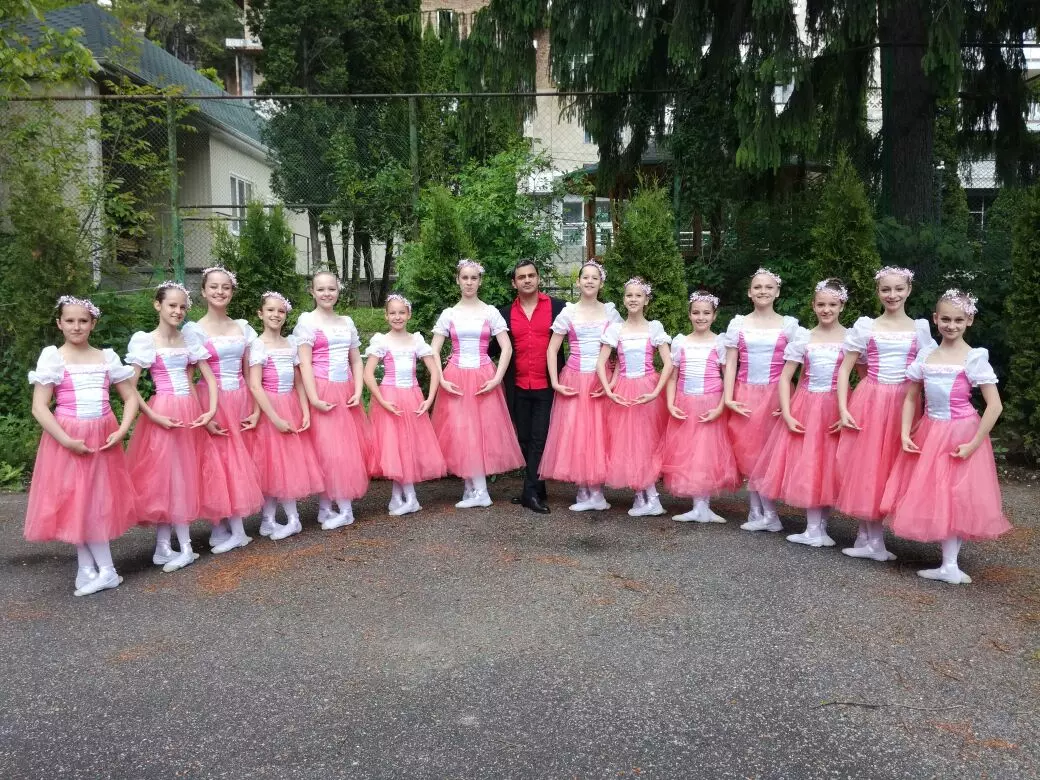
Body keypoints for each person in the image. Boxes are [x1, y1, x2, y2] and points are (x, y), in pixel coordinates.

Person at [880, 290, 1011, 583]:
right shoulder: (927, 355)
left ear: (969, 320)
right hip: (930, 429)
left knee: (956, 493)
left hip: (960, 431)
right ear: (935, 319)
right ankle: (947, 564)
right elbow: (911, 397)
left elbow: (995, 405)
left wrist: (974, 443)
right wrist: (905, 432)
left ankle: (950, 564)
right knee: (936, 491)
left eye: (958, 320)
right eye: (946, 319)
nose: (951, 325)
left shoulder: (974, 358)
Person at [25, 296, 139, 596]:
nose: (77, 326)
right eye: (70, 321)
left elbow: (130, 397)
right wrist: (66, 440)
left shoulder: (106, 358)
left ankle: (107, 571)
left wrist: (122, 430)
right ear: (59, 323)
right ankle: (87, 568)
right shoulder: (54, 358)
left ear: (93, 323)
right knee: (76, 500)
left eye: (83, 321)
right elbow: (39, 407)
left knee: (95, 502)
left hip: (102, 435)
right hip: (68, 435)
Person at [125, 282, 228, 573]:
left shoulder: (189, 339)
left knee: (183, 475)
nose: (178, 311)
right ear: (158, 305)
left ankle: (164, 547)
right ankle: (183, 548)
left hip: (189, 413)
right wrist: (152, 416)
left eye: (182, 306)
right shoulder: (146, 341)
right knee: (167, 478)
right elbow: (129, 387)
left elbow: (209, 378)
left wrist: (209, 410)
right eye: (172, 305)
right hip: (164, 412)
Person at [834, 267, 936, 562]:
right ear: (878, 292)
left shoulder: (919, 329)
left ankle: (872, 537)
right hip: (871, 399)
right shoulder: (866, 326)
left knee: (892, 464)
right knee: (868, 465)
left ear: (909, 290)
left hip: (904, 402)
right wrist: (843, 408)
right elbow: (845, 369)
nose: (892, 295)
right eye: (886, 289)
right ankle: (871, 538)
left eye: (898, 289)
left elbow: (927, 374)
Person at [749, 279, 847, 546]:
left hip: (835, 405)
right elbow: (786, 378)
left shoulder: (851, 338)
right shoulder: (804, 337)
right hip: (807, 404)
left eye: (833, 304)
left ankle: (821, 527)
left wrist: (851, 409)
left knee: (829, 463)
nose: (826, 309)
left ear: (842, 306)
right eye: (821, 304)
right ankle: (813, 528)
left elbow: (861, 375)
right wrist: (788, 411)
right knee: (810, 462)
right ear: (813, 306)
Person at [430, 259, 525, 509]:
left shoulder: (489, 312)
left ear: (480, 281)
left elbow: (506, 347)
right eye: (465, 278)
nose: (469, 282)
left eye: (474, 278)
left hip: (483, 376)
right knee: (462, 431)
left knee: (480, 432)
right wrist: (441, 378)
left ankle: (481, 491)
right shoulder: (449, 314)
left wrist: (497, 378)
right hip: (456, 377)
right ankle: (470, 488)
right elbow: (434, 349)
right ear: (458, 280)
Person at [182, 267, 264, 554]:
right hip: (211, 401)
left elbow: (249, 372)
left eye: (225, 287)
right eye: (214, 287)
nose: (220, 292)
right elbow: (189, 377)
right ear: (203, 291)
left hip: (239, 397)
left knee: (237, 461)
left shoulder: (242, 327)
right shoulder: (193, 330)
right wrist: (202, 414)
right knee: (214, 462)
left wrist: (256, 409)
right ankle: (219, 524)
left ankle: (238, 529)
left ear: (232, 292)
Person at [540, 259, 623, 512]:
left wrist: (613, 381)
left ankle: (597, 492)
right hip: (574, 378)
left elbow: (622, 349)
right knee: (576, 433)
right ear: (578, 282)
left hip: (600, 379)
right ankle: (583, 491)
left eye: (594, 278)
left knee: (599, 434)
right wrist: (555, 382)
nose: (589, 281)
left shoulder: (610, 313)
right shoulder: (569, 312)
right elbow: (552, 349)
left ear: (601, 283)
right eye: (585, 277)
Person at [723, 268, 800, 532]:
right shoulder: (738, 324)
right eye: (757, 287)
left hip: (775, 395)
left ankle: (770, 514)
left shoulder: (788, 325)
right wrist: (728, 396)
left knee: (768, 455)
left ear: (777, 292)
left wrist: (792, 400)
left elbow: (800, 363)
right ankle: (756, 511)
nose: (763, 291)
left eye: (769, 287)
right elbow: (731, 363)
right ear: (749, 292)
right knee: (748, 452)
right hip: (745, 393)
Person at [294, 270, 372, 530]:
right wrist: (314, 398)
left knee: (343, 451)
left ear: (339, 290)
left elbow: (356, 360)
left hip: (345, 392)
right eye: (321, 289)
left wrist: (358, 390)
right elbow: (304, 363)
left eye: (331, 288)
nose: (327, 293)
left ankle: (345, 509)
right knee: (326, 450)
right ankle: (326, 505)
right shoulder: (307, 322)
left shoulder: (346, 322)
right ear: (312, 292)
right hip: (322, 391)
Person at [247, 292, 325, 541]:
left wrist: (305, 410)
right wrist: (275, 419)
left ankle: (290, 519)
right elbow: (255, 385)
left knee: (287, 464)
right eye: (270, 310)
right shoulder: (257, 345)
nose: (276, 315)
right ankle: (273, 519)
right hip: (271, 410)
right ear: (260, 313)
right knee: (272, 465)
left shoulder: (291, 344)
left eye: (281, 311)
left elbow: (299, 382)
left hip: (289, 405)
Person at [493, 259, 566, 514]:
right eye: (521, 277)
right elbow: (493, 347)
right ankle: (537, 486)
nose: (527, 280)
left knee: (540, 438)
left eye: (531, 275)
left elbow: (579, 336)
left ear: (538, 278)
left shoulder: (559, 308)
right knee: (523, 438)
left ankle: (530, 493)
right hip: (517, 384)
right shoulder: (503, 314)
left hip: (547, 384)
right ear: (514, 283)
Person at [363, 293, 447, 515]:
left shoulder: (416, 340)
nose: (397, 317)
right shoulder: (382, 341)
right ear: (386, 315)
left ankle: (411, 499)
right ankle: (397, 497)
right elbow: (368, 374)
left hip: (411, 397)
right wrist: (382, 400)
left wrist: (429, 399)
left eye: (402, 312)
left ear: (409, 315)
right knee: (394, 447)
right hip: (389, 398)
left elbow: (434, 371)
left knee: (407, 446)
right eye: (392, 313)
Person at [661, 291, 740, 523]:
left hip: (710, 403)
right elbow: (673, 376)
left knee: (707, 453)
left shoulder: (720, 342)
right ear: (689, 314)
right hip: (685, 403)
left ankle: (704, 506)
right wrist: (670, 403)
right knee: (688, 452)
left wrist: (721, 406)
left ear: (714, 316)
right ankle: (697, 507)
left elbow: (729, 376)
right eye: (696, 312)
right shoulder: (680, 342)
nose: (701, 317)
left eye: (706, 313)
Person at [597, 277, 672, 516]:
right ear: (623, 299)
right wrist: (609, 390)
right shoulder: (616, 329)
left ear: (646, 300)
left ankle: (652, 499)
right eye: (629, 295)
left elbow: (669, 363)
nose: (633, 299)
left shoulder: (654, 328)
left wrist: (656, 392)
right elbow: (601, 362)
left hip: (647, 389)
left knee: (645, 444)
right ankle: (642, 498)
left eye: (638, 295)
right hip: (624, 390)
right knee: (629, 444)